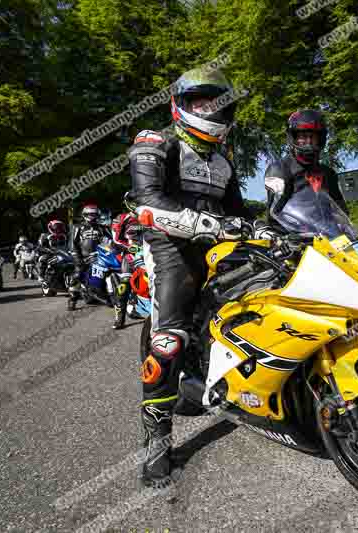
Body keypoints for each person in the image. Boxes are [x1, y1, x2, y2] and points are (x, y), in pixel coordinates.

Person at [126, 65, 253, 489]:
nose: (210, 110)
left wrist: (263, 231)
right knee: (168, 342)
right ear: (180, 105)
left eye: (217, 103)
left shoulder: (224, 163)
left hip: (217, 246)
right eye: (201, 101)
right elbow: (147, 201)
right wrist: (203, 224)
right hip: (169, 249)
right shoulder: (154, 142)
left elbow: (240, 215)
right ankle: (156, 449)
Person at [263, 109, 347, 226]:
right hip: (292, 238)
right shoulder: (280, 170)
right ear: (293, 137)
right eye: (303, 136)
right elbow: (275, 214)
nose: (308, 141)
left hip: (328, 237)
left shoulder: (329, 173)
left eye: (313, 136)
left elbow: (342, 211)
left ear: (320, 139)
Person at [68, 204, 112, 310]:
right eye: (90, 214)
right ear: (85, 215)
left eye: (94, 214)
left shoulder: (103, 227)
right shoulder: (77, 227)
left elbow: (111, 240)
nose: (92, 216)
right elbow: (72, 244)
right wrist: (78, 259)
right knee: (78, 273)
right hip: (83, 257)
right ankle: (72, 299)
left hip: (100, 255)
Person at [110, 212, 143, 329]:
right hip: (130, 254)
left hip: (150, 251)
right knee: (124, 286)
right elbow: (115, 240)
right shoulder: (122, 218)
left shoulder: (154, 213)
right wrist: (131, 248)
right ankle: (120, 318)